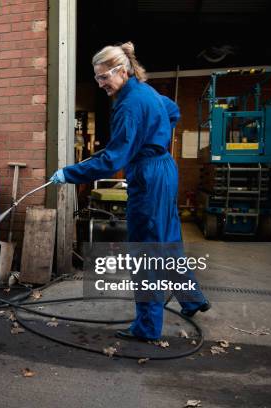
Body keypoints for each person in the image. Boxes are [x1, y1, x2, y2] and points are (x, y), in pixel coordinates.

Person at [50, 41, 210, 341]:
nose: (100, 84)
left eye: (103, 77)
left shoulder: (128, 106)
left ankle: (147, 327)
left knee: (145, 251)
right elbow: (172, 112)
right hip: (164, 169)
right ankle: (192, 298)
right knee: (167, 238)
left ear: (121, 71)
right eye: (97, 78)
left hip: (148, 175)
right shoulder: (145, 91)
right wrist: (154, 133)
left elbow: (112, 160)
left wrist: (68, 173)